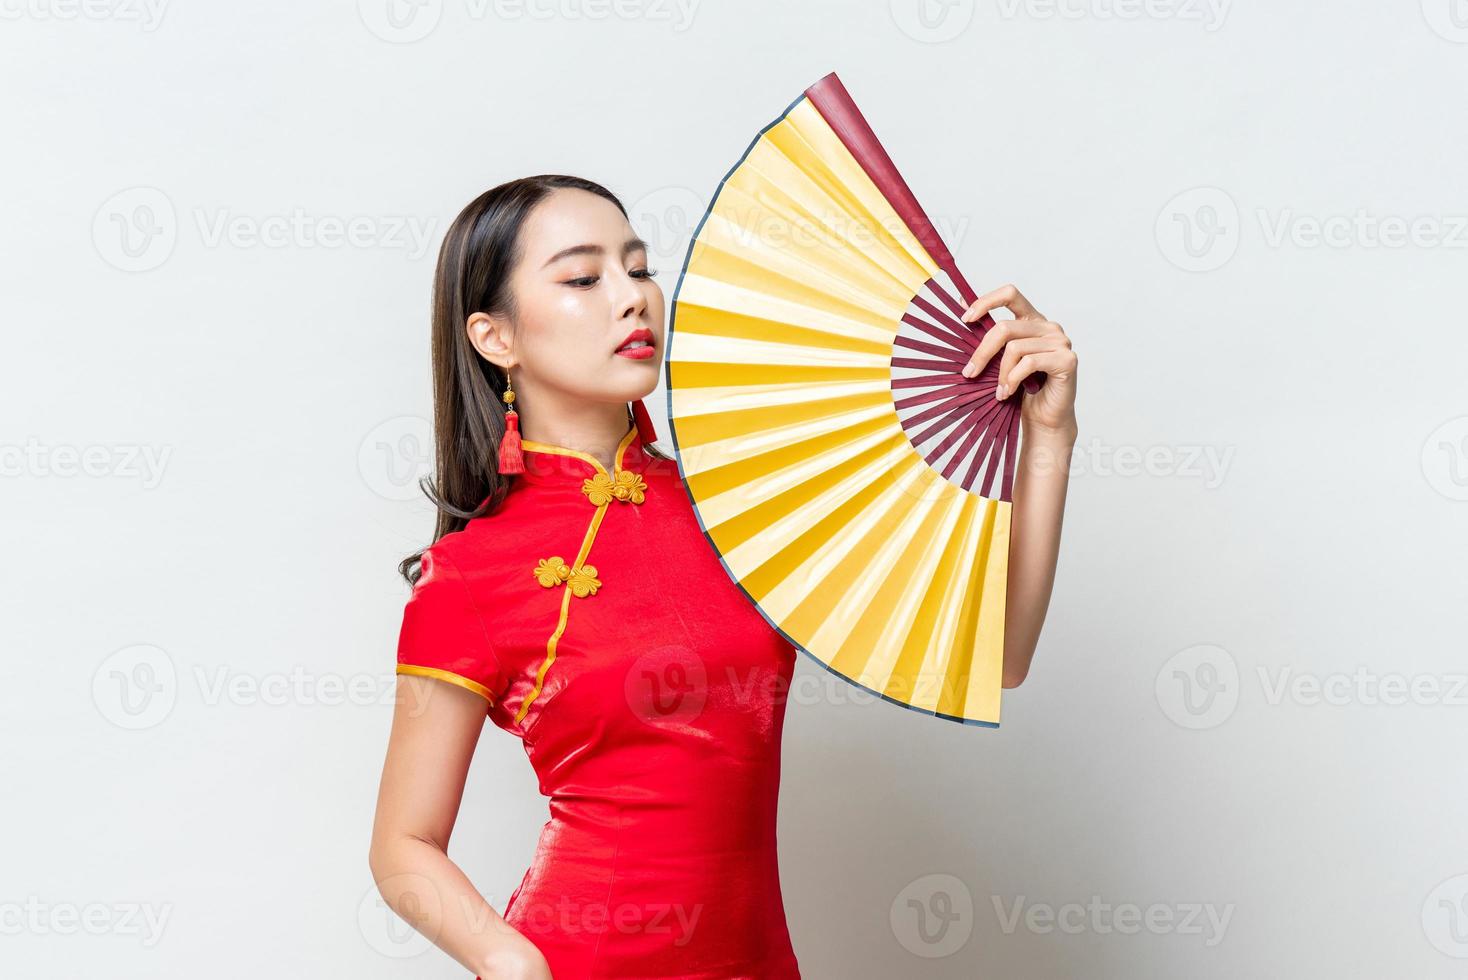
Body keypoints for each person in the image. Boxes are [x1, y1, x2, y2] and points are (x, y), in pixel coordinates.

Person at [367, 174, 1078, 978]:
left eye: (638, 269)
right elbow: (402, 845)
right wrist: (506, 959)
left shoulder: (742, 510)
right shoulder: (467, 573)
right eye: (581, 277)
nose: (631, 298)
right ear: (496, 338)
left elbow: (1001, 656)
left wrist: (1049, 439)